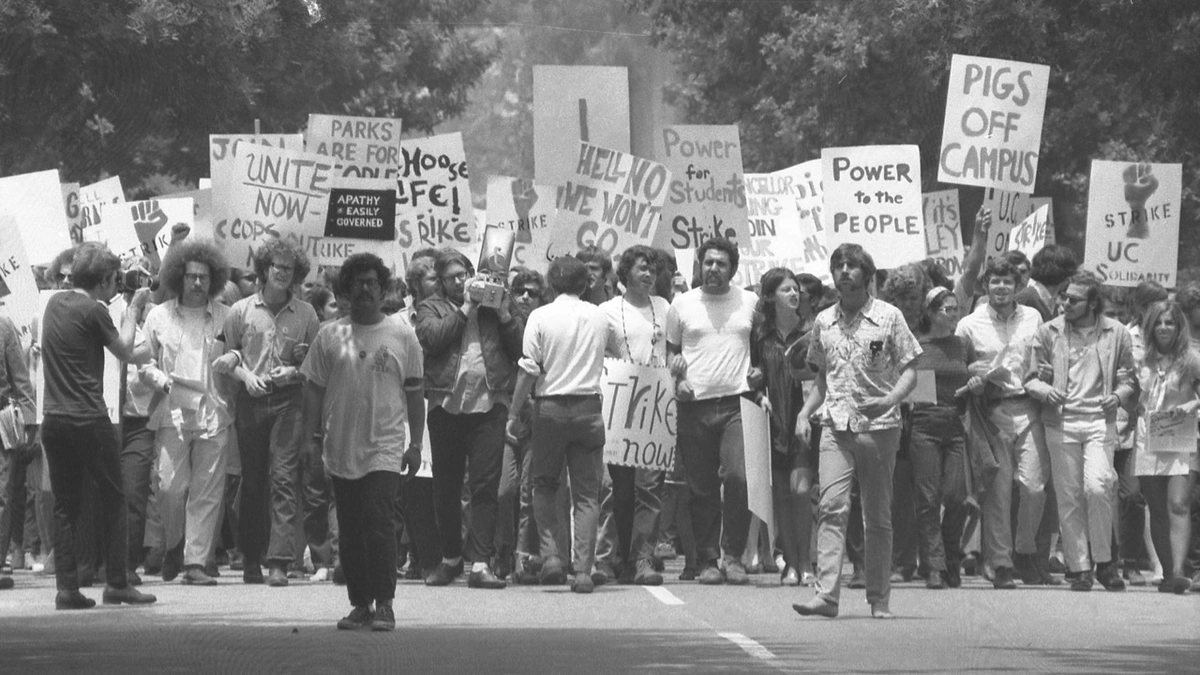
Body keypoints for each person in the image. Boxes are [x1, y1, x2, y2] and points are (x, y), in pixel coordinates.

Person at [792, 244, 921, 620]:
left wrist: (891, 399)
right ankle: (826, 596)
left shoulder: (889, 316)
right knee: (832, 506)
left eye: (853, 266)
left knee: (877, 515)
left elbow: (911, 366)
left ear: (867, 273)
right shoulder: (823, 321)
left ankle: (879, 598)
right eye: (839, 266)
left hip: (879, 427)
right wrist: (805, 413)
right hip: (835, 425)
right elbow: (821, 374)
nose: (845, 271)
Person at [301, 253, 425, 631]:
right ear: (345, 291)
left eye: (373, 282)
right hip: (340, 448)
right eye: (358, 283)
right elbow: (312, 389)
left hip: (385, 448)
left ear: (383, 287)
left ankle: (385, 603)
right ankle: (360, 604)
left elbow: (416, 392)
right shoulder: (329, 334)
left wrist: (415, 444)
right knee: (351, 530)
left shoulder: (402, 334)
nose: (366, 289)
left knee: (379, 521)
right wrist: (309, 439)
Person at [40, 241, 157, 609]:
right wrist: (135, 308)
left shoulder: (54, 304)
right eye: (114, 279)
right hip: (89, 417)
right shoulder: (94, 310)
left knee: (65, 505)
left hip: (54, 418)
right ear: (105, 280)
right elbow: (124, 351)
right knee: (114, 499)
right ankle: (118, 583)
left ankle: (67, 588)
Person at [213, 238, 320, 587]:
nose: (282, 273)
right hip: (251, 402)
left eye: (289, 269)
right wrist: (246, 377)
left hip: (288, 401)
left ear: (297, 275)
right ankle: (250, 558)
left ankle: (279, 560)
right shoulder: (240, 311)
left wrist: (293, 371)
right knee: (253, 480)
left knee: (284, 478)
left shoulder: (307, 314)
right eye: (276, 266)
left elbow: (314, 363)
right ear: (264, 269)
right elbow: (226, 359)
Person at [414, 250, 524, 589]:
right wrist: (465, 309)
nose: (462, 282)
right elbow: (431, 339)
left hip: (489, 407)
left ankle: (480, 562)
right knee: (445, 488)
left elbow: (521, 350)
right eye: (452, 278)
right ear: (442, 282)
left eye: (465, 274)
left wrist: (503, 313)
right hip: (446, 407)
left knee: (485, 486)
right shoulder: (430, 307)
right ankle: (451, 558)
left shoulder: (496, 303)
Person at [1025, 271, 1135, 591]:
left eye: (1074, 299)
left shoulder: (1117, 332)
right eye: (1064, 297)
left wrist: (1117, 396)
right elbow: (1030, 377)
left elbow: (1128, 378)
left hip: (1101, 420)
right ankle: (1079, 567)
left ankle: (1104, 561)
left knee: (1099, 486)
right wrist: (1046, 392)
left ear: (1093, 304)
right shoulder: (1048, 332)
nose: (1065, 304)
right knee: (1069, 495)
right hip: (1061, 421)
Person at [509, 256, 609, 593]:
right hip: (588, 407)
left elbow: (529, 368)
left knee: (544, 484)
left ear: (551, 285)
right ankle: (583, 569)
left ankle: (551, 556)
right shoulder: (600, 315)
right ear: (585, 284)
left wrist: (513, 412)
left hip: (549, 408)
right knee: (586, 495)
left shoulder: (540, 316)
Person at [665, 237, 758, 586]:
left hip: (738, 402)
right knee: (701, 487)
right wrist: (678, 379)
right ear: (699, 265)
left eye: (721, 263)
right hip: (694, 406)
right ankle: (707, 559)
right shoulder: (682, 304)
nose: (713, 268)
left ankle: (732, 556)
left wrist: (758, 374)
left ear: (732, 269)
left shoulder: (750, 302)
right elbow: (670, 352)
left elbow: (759, 347)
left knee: (738, 478)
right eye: (708, 262)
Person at [140, 240, 234, 586]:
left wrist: (234, 361)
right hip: (172, 414)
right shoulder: (158, 316)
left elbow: (239, 356)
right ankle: (173, 544)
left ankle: (195, 563)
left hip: (214, 414)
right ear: (178, 276)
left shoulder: (227, 315)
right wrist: (164, 383)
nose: (198, 283)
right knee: (169, 488)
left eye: (205, 278)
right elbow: (143, 364)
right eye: (192, 276)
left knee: (207, 492)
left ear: (215, 280)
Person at [954, 257, 1048, 589]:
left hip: (1029, 407)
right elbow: (958, 365)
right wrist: (975, 376)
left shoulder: (1033, 318)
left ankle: (1024, 549)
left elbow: (1044, 359)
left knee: (1034, 486)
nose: (1002, 287)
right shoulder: (969, 324)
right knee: (998, 490)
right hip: (991, 412)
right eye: (995, 281)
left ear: (1017, 285)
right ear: (986, 285)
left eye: (1008, 281)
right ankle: (1002, 562)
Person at [594, 245, 670, 587]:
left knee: (650, 488)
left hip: (656, 406)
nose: (648, 274)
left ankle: (643, 558)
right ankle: (615, 557)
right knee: (619, 489)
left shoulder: (666, 308)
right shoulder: (607, 311)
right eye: (641, 267)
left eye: (652, 268)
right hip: (619, 405)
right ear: (625, 273)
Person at [748, 269, 820, 587]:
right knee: (780, 497)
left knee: (801, 492)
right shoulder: (760, 337)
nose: (794, 294)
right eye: (786, 290)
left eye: (796, 290)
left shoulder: (813, 332)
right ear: (770, 297)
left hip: (804, 422)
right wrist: (758, 392)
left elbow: (824, 376)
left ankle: (807, 562)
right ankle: (789, 563)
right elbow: (753, 376)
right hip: (771, 422)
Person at [907, 284, 973, 589]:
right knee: (928, 499)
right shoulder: (917, 345)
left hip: (955, 423)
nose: (954, 315)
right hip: (925, 424)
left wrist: (977, 383)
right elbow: (918, 393)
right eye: (948, 310)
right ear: (931, 313)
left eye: (957, 309)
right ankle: (934, 566)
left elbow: (970, 372)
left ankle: (950, 555)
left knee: (957, 496)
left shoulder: (961, 345)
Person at [1132, 301, 1199, 594]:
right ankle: (1168, 572)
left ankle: (1178, 570)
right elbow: (1132, 393)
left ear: (1178, 326)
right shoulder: (1140, 359)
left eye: (1169, 322)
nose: (1163, 327)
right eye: (1158, 322)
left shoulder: (1191, 359)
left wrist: (1193, 403)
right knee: (1157, 507)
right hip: (1149, 438)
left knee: (1178, 503)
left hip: (1182, 437)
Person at [0, 313, 36, 591]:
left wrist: (29, 421)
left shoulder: (4, 325)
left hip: (2, 419)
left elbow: (20, 377)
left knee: (3, 493)